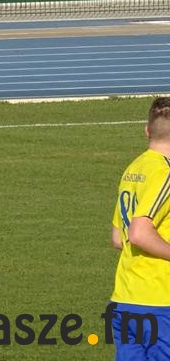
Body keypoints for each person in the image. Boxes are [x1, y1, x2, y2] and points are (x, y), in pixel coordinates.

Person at [109, 97, 170, 357]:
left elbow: (118, 237)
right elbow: (138, 233)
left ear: (147, 131)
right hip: (159, 300)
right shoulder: (165, 173)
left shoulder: (133, 168)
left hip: (125, 299)